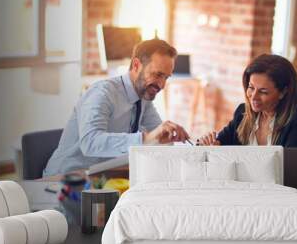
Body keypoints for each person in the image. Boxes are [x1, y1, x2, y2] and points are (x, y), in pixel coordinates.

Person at [44, 39, 189, 176]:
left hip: (101, 177)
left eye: (166, 78)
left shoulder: (144, 98)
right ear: (136, 65)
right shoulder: (102, 93)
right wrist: (146, 138)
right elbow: (90, 143)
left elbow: (159, 138)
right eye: (157, 75)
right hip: (64, 180)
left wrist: (178, 140)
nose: (162, 85)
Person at [197, 54, 297, 147]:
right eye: (251, 87)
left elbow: (290, 168)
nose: (253, 97)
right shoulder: (242, 112)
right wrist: (210, 144)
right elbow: (220, 142)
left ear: (283, 92)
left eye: (263, 91)